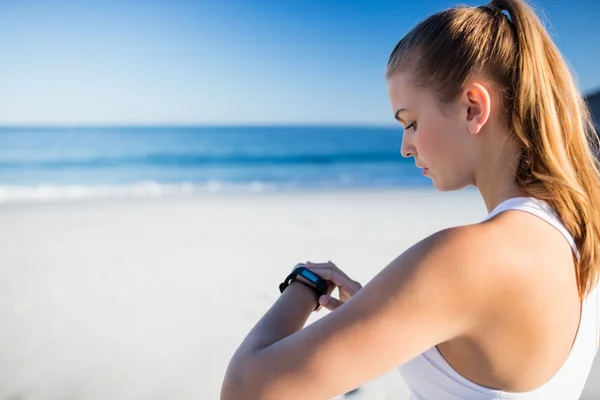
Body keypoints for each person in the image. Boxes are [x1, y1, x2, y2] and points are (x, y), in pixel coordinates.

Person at [220, 0, 600, 398]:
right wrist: (380, 304)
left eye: (411, 122)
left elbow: (246, 389)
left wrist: (304, 284)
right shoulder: (579, 235)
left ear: (473, 108)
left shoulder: (466, 258)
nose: (405, 146)